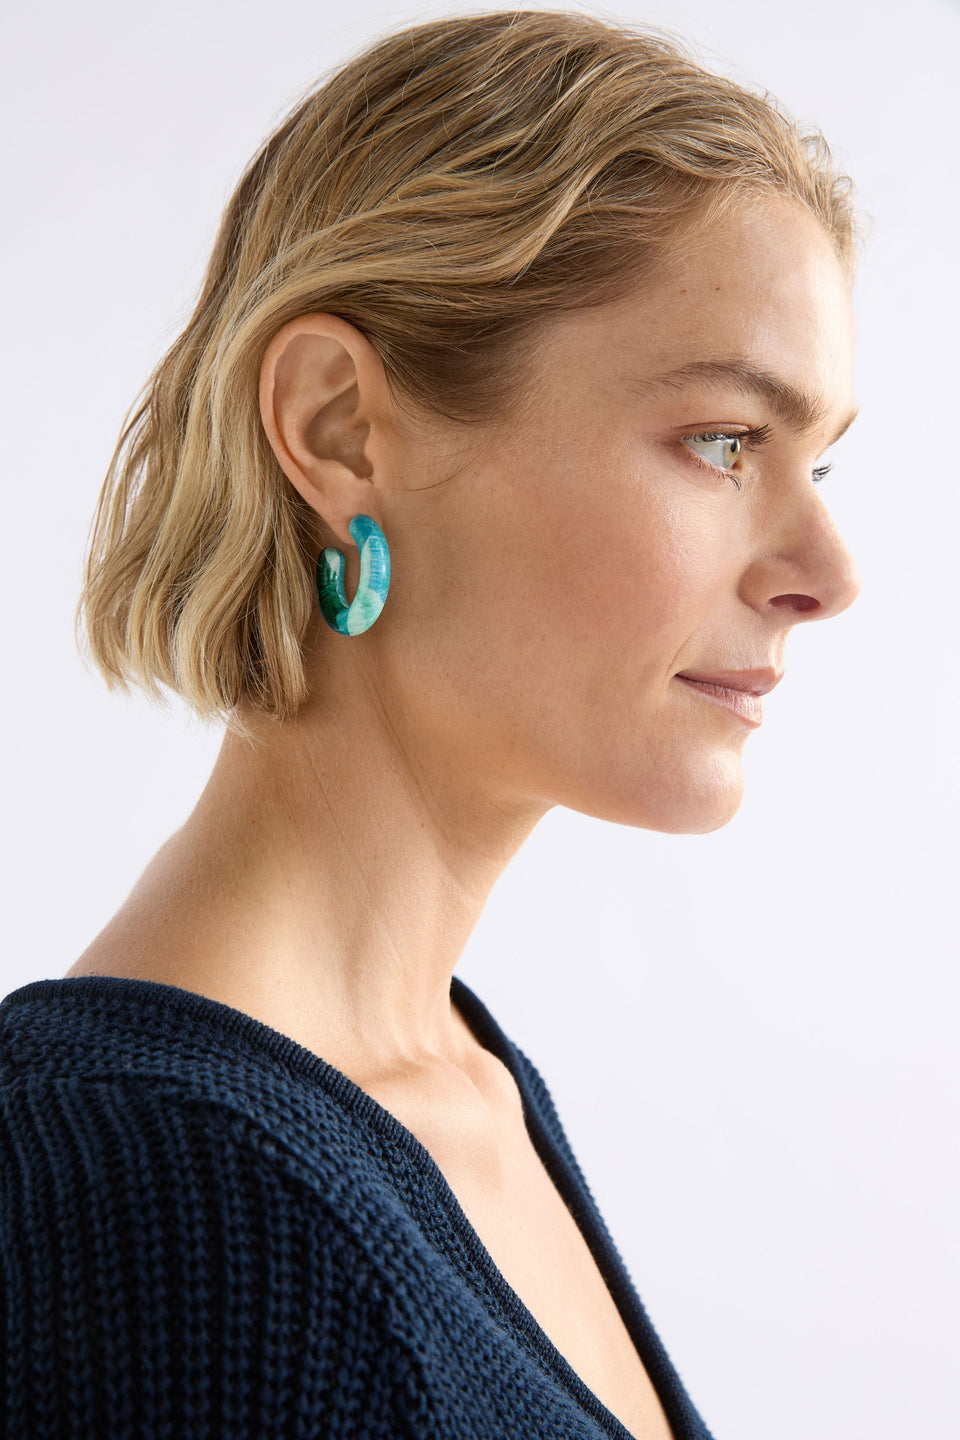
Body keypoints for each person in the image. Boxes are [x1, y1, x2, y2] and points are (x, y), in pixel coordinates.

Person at [0, 9, 863, 1438]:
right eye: (724, 442)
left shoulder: (461, 1085)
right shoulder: (168, 1210)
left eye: (820, 464)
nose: (827, 574)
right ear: (339, 427)